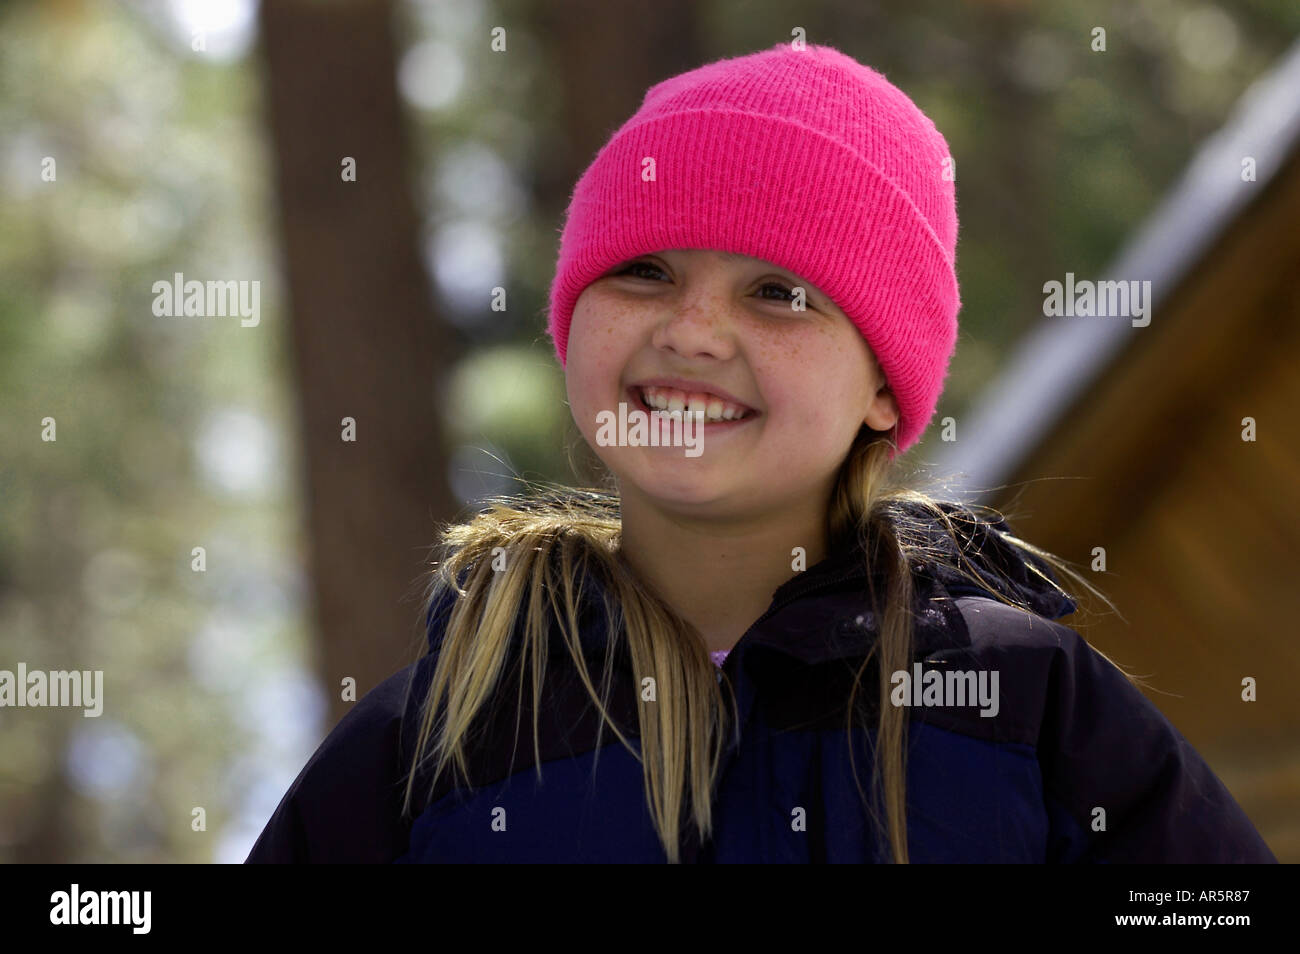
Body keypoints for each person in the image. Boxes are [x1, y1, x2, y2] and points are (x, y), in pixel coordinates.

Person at [247, 42, 1276, 864]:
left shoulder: (1023, 701)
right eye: (645, 270)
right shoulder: (439, 736)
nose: (693, 330)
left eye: (778, 292)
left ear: (883, 387)